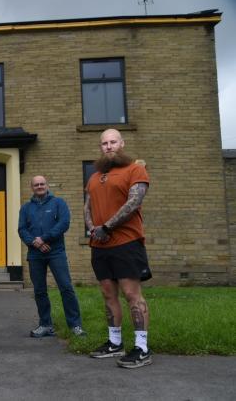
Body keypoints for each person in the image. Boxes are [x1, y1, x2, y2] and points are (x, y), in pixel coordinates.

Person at [84, 128, 153, 369]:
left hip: (126, 242)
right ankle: (115, 343)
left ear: (121, 144)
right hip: (99, 244)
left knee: (132, 294)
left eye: (113, 142)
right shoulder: (94, 177)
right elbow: (88, 206)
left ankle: (142, 347)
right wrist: (93, 228)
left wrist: (108, 226)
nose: (109, 146)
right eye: (104, 143)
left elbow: (134, 201)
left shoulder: (135, 169)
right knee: (108, 294)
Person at [19, 175, 86, 338]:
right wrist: (35, 242)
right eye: (36, 185)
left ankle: (75, 325)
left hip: (56, 252)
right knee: (40, 290)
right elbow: (22, 229)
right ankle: (45, 325)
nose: (40, 186)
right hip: (35, 254)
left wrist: (44, 238)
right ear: (32, 188)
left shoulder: (59, 203)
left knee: (66, 287)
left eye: (42, 184)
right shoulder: (26, 208)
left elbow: (64, 223)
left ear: (47, 185)